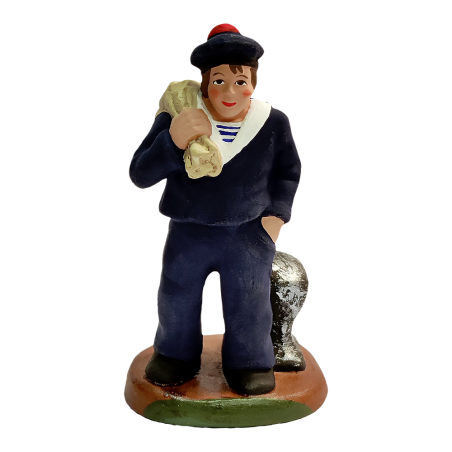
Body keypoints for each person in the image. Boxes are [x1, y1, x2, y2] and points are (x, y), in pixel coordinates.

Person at [128, 23, 302, 395]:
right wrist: (173, 141)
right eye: (219, 81)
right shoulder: (178, 115)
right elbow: (140, 174)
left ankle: (249, 362)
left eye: (240, 81)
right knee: (177, 294)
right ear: (205, 82)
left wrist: (276, 217)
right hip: (188, 229)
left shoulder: (272, 121)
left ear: (253, 82)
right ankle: (175, 354)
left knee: (249, 299)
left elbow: (288, 172)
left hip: (248, 231)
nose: (229, 92)